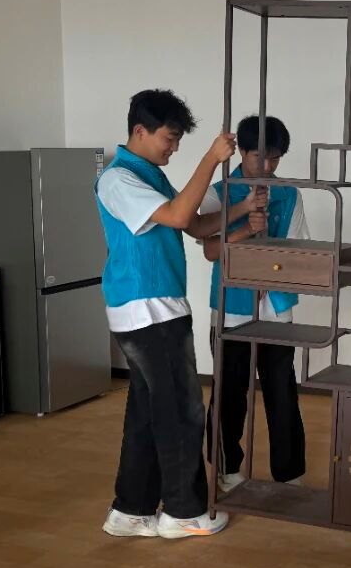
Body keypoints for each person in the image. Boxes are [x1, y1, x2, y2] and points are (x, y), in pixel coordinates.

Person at [96, 89, 235, 540]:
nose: (173, 148)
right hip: (148, 310)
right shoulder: (118, 179)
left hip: (155, 308)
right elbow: (178, 216)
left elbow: (193, 223)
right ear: (140, 131)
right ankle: (183, 512)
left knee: (147, 412)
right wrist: (211, 159)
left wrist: (240, 211)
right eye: (169, 139)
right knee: (181, 411)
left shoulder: (148, 175)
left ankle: (131, 510)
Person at [200, 115, 311, 492]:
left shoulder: (290, 195)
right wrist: (247, 227)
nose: (267, 166)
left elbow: (297, 250)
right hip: (230, 309)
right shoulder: (220, 193)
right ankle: (227, 467)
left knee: (282, 393)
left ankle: (289, 473)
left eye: (275, 158)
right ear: (242, 152)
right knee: (229, 394)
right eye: (259, 157)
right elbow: (211, 251)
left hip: (276, 308)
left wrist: (270, 274)